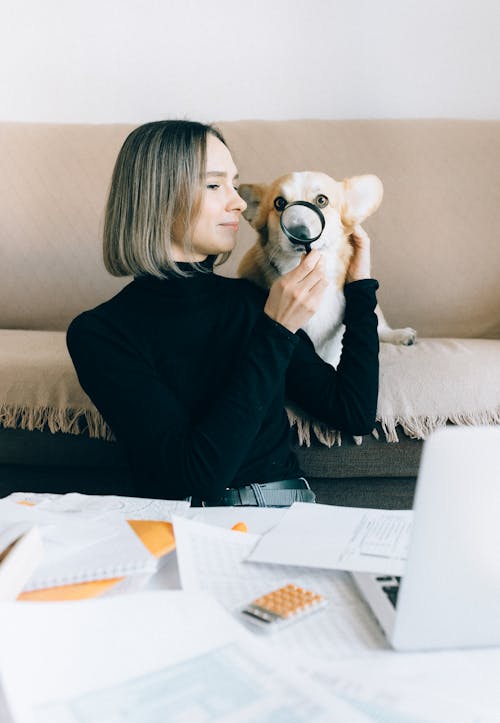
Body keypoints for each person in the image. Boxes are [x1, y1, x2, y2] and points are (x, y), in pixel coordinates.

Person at [67, 120, 379, 507]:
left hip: (288, 510)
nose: (239, 202)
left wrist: (361, 289)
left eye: (234, 183)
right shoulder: (99, 334)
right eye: (215, 185)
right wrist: (276, 331)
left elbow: (353, 412)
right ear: (159, 197)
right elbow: (195, 478)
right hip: (195, 521)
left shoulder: (250, 301)